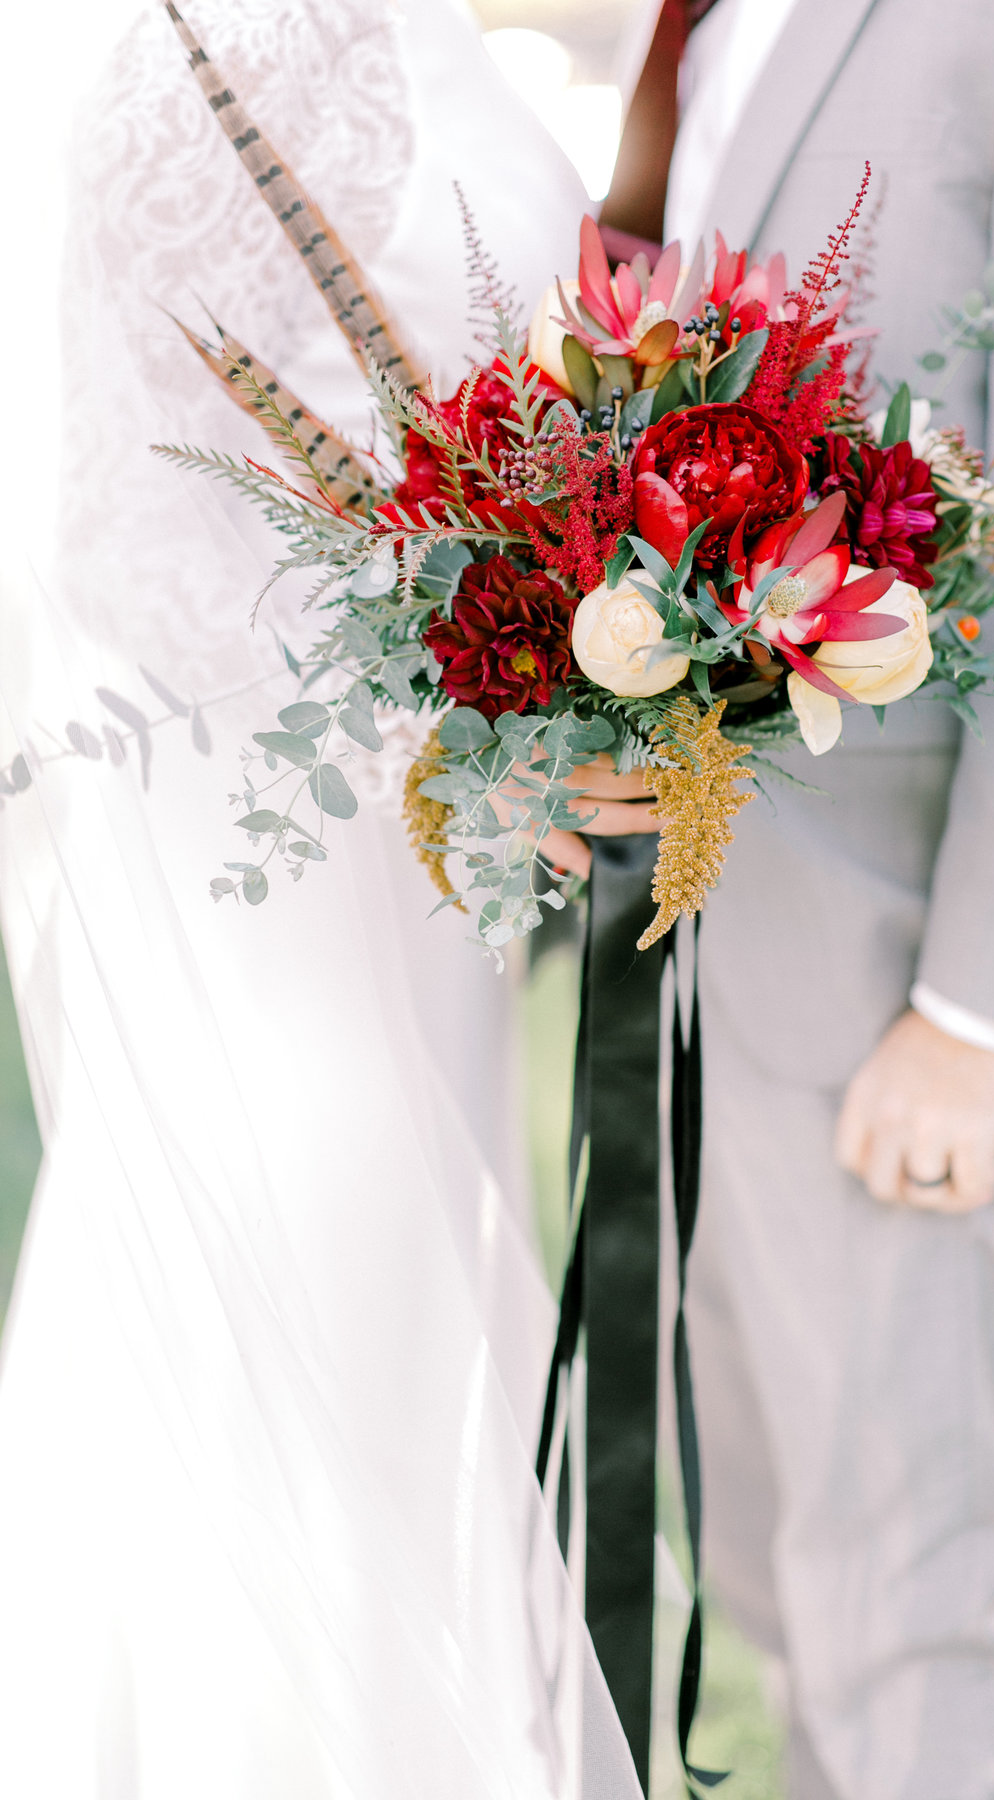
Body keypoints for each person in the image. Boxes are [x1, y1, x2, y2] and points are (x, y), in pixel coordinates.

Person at [0, 3, 642, 1795]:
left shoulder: (427, 25)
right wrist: (469, 733)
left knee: (405, 1370)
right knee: (314, 1341)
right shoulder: (227, 38)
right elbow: (119, 528)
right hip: (283, 890)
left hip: (423, 888)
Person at [582, 2, 994, 1796]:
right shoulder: (699, 21)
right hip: (702, 913)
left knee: (918, 1606)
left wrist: (987, 1013)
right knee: (787, 1574)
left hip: (893, 961)